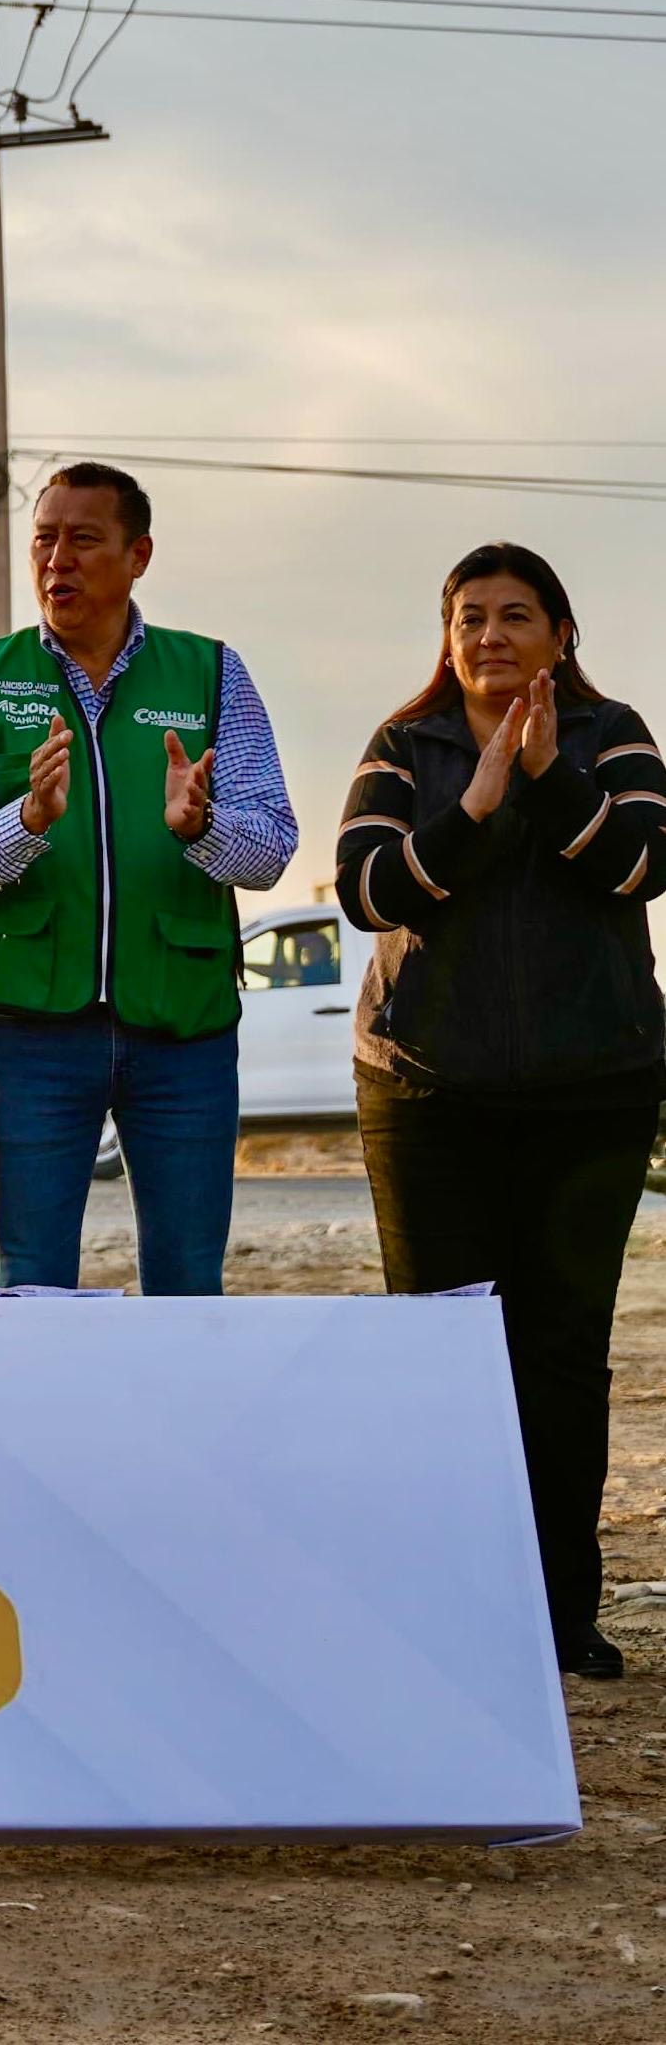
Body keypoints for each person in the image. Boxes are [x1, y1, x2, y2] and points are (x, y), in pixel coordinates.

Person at [337, 544, 664, 1681]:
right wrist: (473, 807)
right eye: (467, 616)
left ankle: (561, 1613)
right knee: (441, 1357)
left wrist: (549, 777)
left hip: (593, 1092)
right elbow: (366, 887)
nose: (488, 634)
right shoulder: (403, 746)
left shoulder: (611, 733)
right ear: (445, 638)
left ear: (559, 635)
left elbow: (643, 863)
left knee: (560, 1352)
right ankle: (448, 1608)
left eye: (514, 615)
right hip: (426, 1091)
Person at [0, 461, 296, 1295]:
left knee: (190, 1279)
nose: (58, 559)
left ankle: (181, 1428)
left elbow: (271, 848)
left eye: (84, 539)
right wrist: (27, 820)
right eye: (44, 540)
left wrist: (202, 827)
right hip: (34, 1034)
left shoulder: (212, 674)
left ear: (139, 555)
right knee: (32, 1280)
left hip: (184, 1032)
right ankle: (47, 1429)